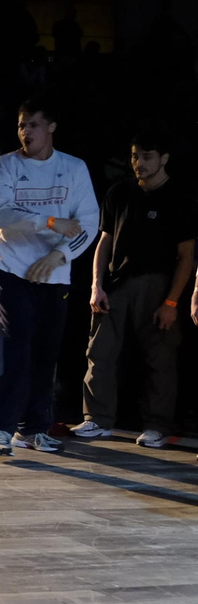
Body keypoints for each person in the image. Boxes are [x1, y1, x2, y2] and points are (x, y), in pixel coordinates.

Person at [0, 96, 98, 456]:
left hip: (54, 272)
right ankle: (1, 428)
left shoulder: (73, 168)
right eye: (21, 125)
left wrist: (59, 255)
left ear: (51, 128)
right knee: (16, 345)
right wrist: (48, 221)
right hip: (11, 267)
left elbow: (88, 222)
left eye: (33, 125)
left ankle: (33, 429)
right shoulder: (3, 166)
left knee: (46, 353)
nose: (25, 132)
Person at [72, 134, 194, 449]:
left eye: (147, 156)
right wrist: (96, 285)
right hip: (116, 283)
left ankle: (156, 425)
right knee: (99, 352)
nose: (139, 163)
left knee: (159, 357)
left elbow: (187, 255)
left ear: (164, 159)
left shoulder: (178, 196)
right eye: (135, 156)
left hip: (157, 283)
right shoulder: (120, 192)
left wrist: (171, 301)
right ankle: (97, 419)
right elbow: (104, 242)